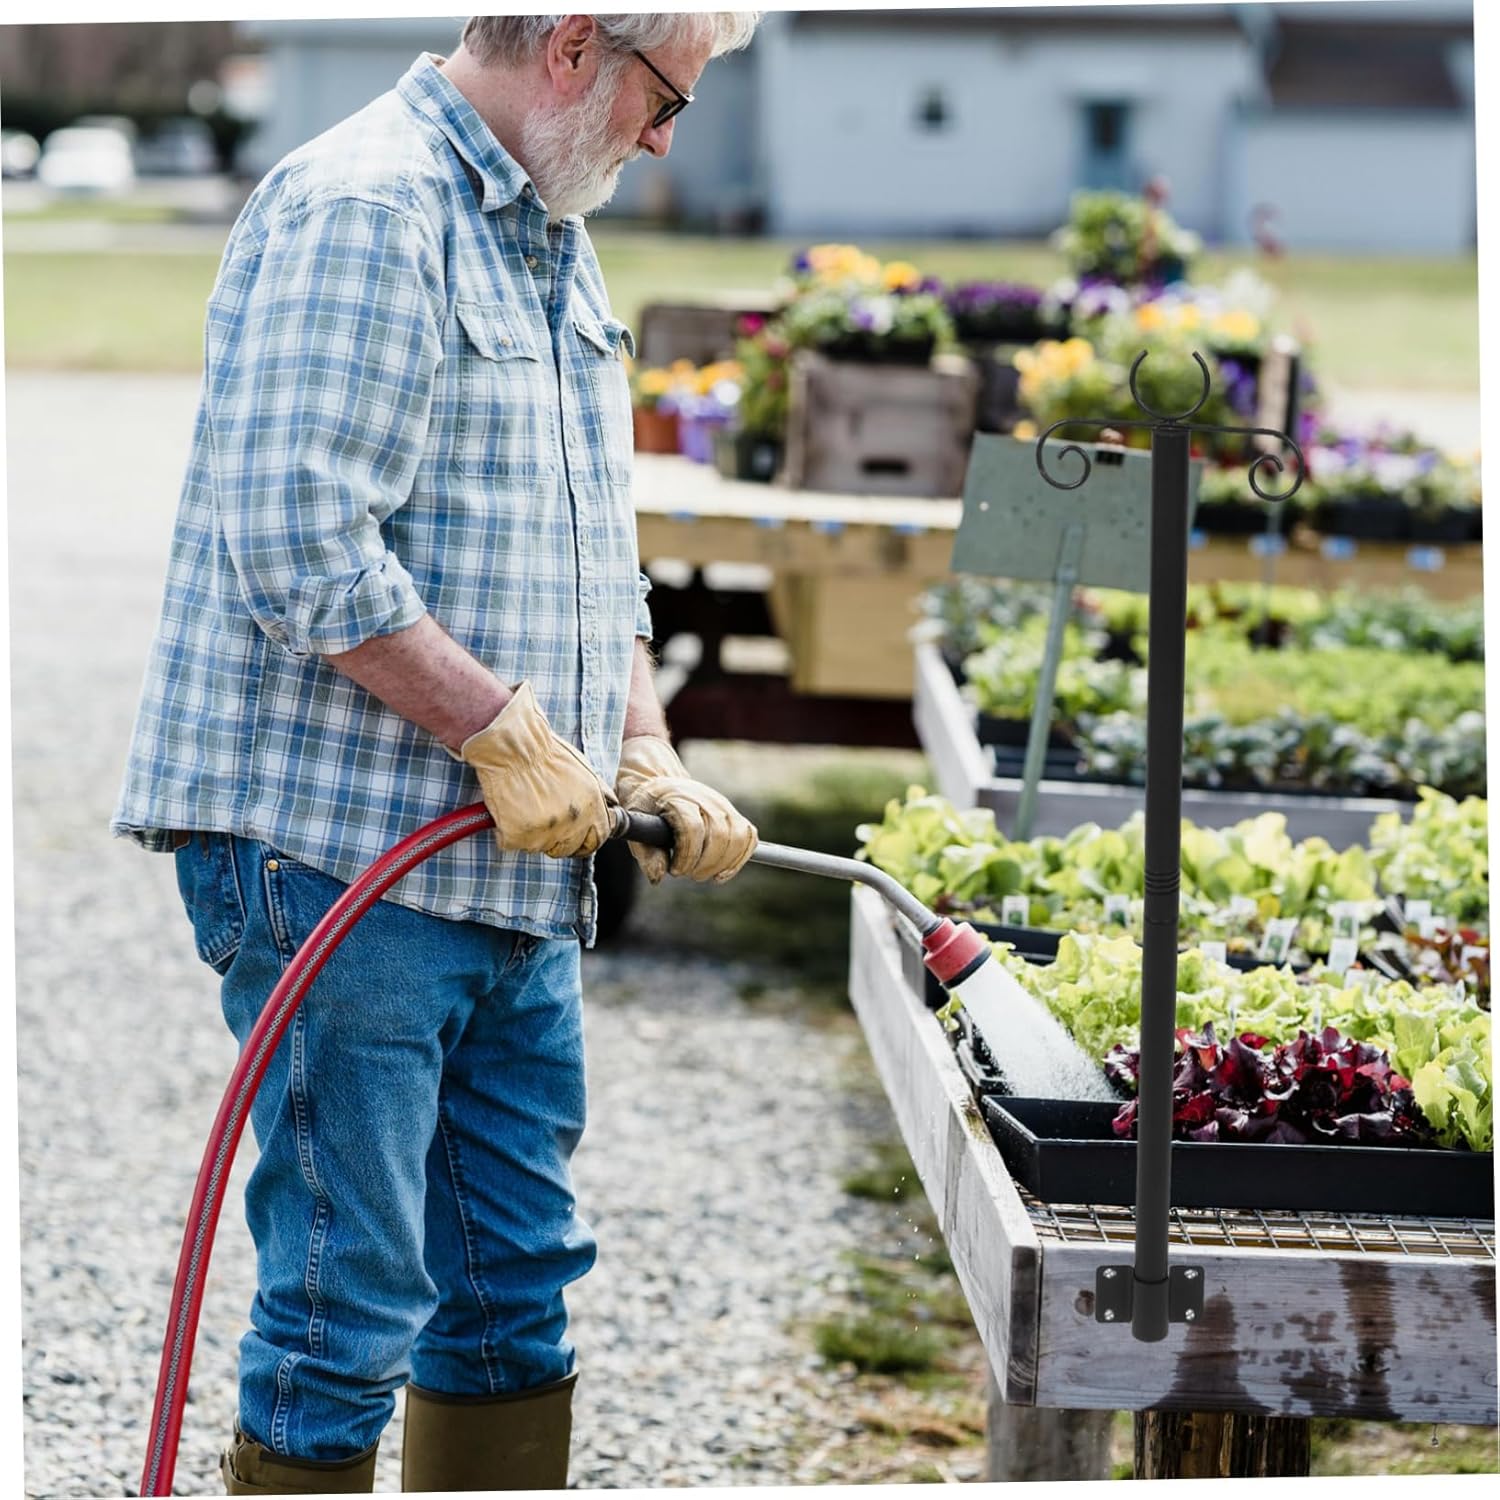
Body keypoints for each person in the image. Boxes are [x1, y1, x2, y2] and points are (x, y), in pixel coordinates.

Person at [111, 12, 763, 1493]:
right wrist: (496, 729)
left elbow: (599, 563)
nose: (668, 139)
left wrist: (644, 748)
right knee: (353, 1304)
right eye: (668, 100)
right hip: (340, 856)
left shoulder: (549, 238)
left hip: (516, 865)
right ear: (575, 47)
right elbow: (294, 542)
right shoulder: (368, 208)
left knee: (511, 1288)